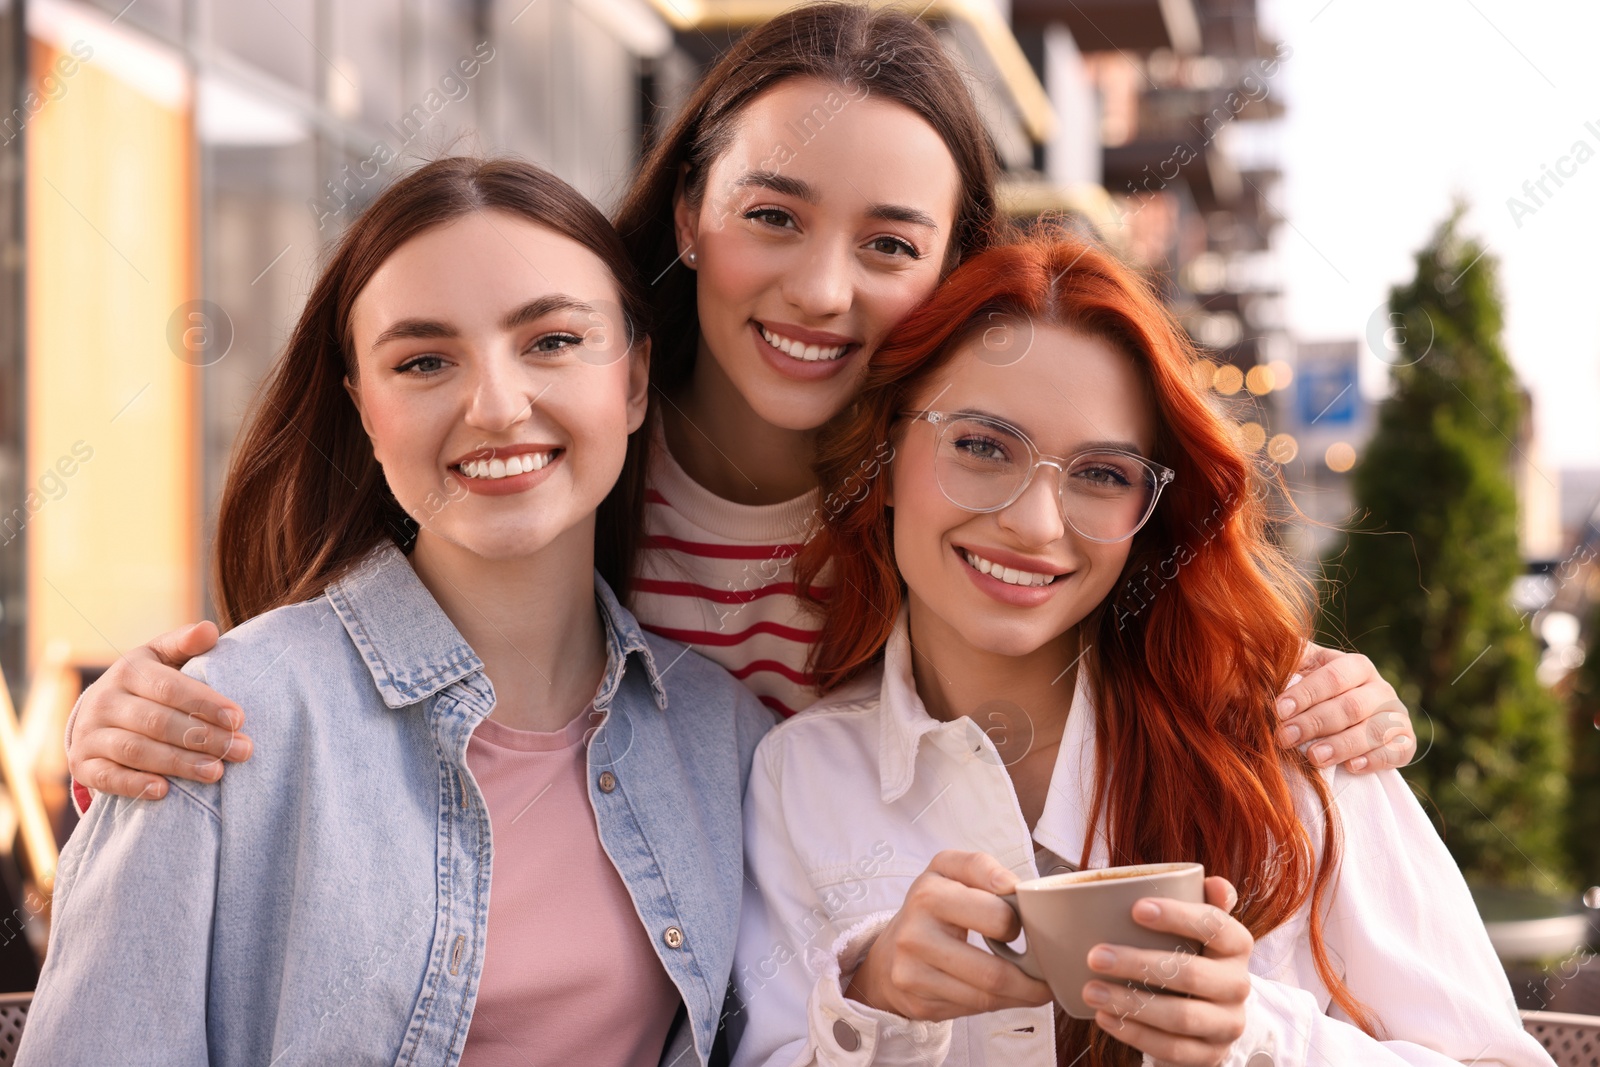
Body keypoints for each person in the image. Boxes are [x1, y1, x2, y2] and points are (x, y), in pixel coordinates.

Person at [64, 4, 1413, 804]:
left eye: (891, 244)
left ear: (951, 272)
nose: (822, 287)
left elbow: (1150, 638)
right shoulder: (558, 440)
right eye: (774, 214)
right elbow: (335, 668)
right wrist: (141, 723)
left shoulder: (978, 494)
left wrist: (1319, 696)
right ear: (694, 214)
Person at [730, 232, 1555, 1066]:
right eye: (981, 446)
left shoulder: (1288, 732)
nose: (1036, 524)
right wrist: (872, 1001)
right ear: (884, 453)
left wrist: (1257, 1039)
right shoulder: (803, 777)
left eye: (1102, 474)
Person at [17, 157, 772, 1067]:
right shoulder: (210, 729)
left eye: (553, 342)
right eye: (423, 361)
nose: (496, 406)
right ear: (364, 411)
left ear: (636, 379)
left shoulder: (724, 741)